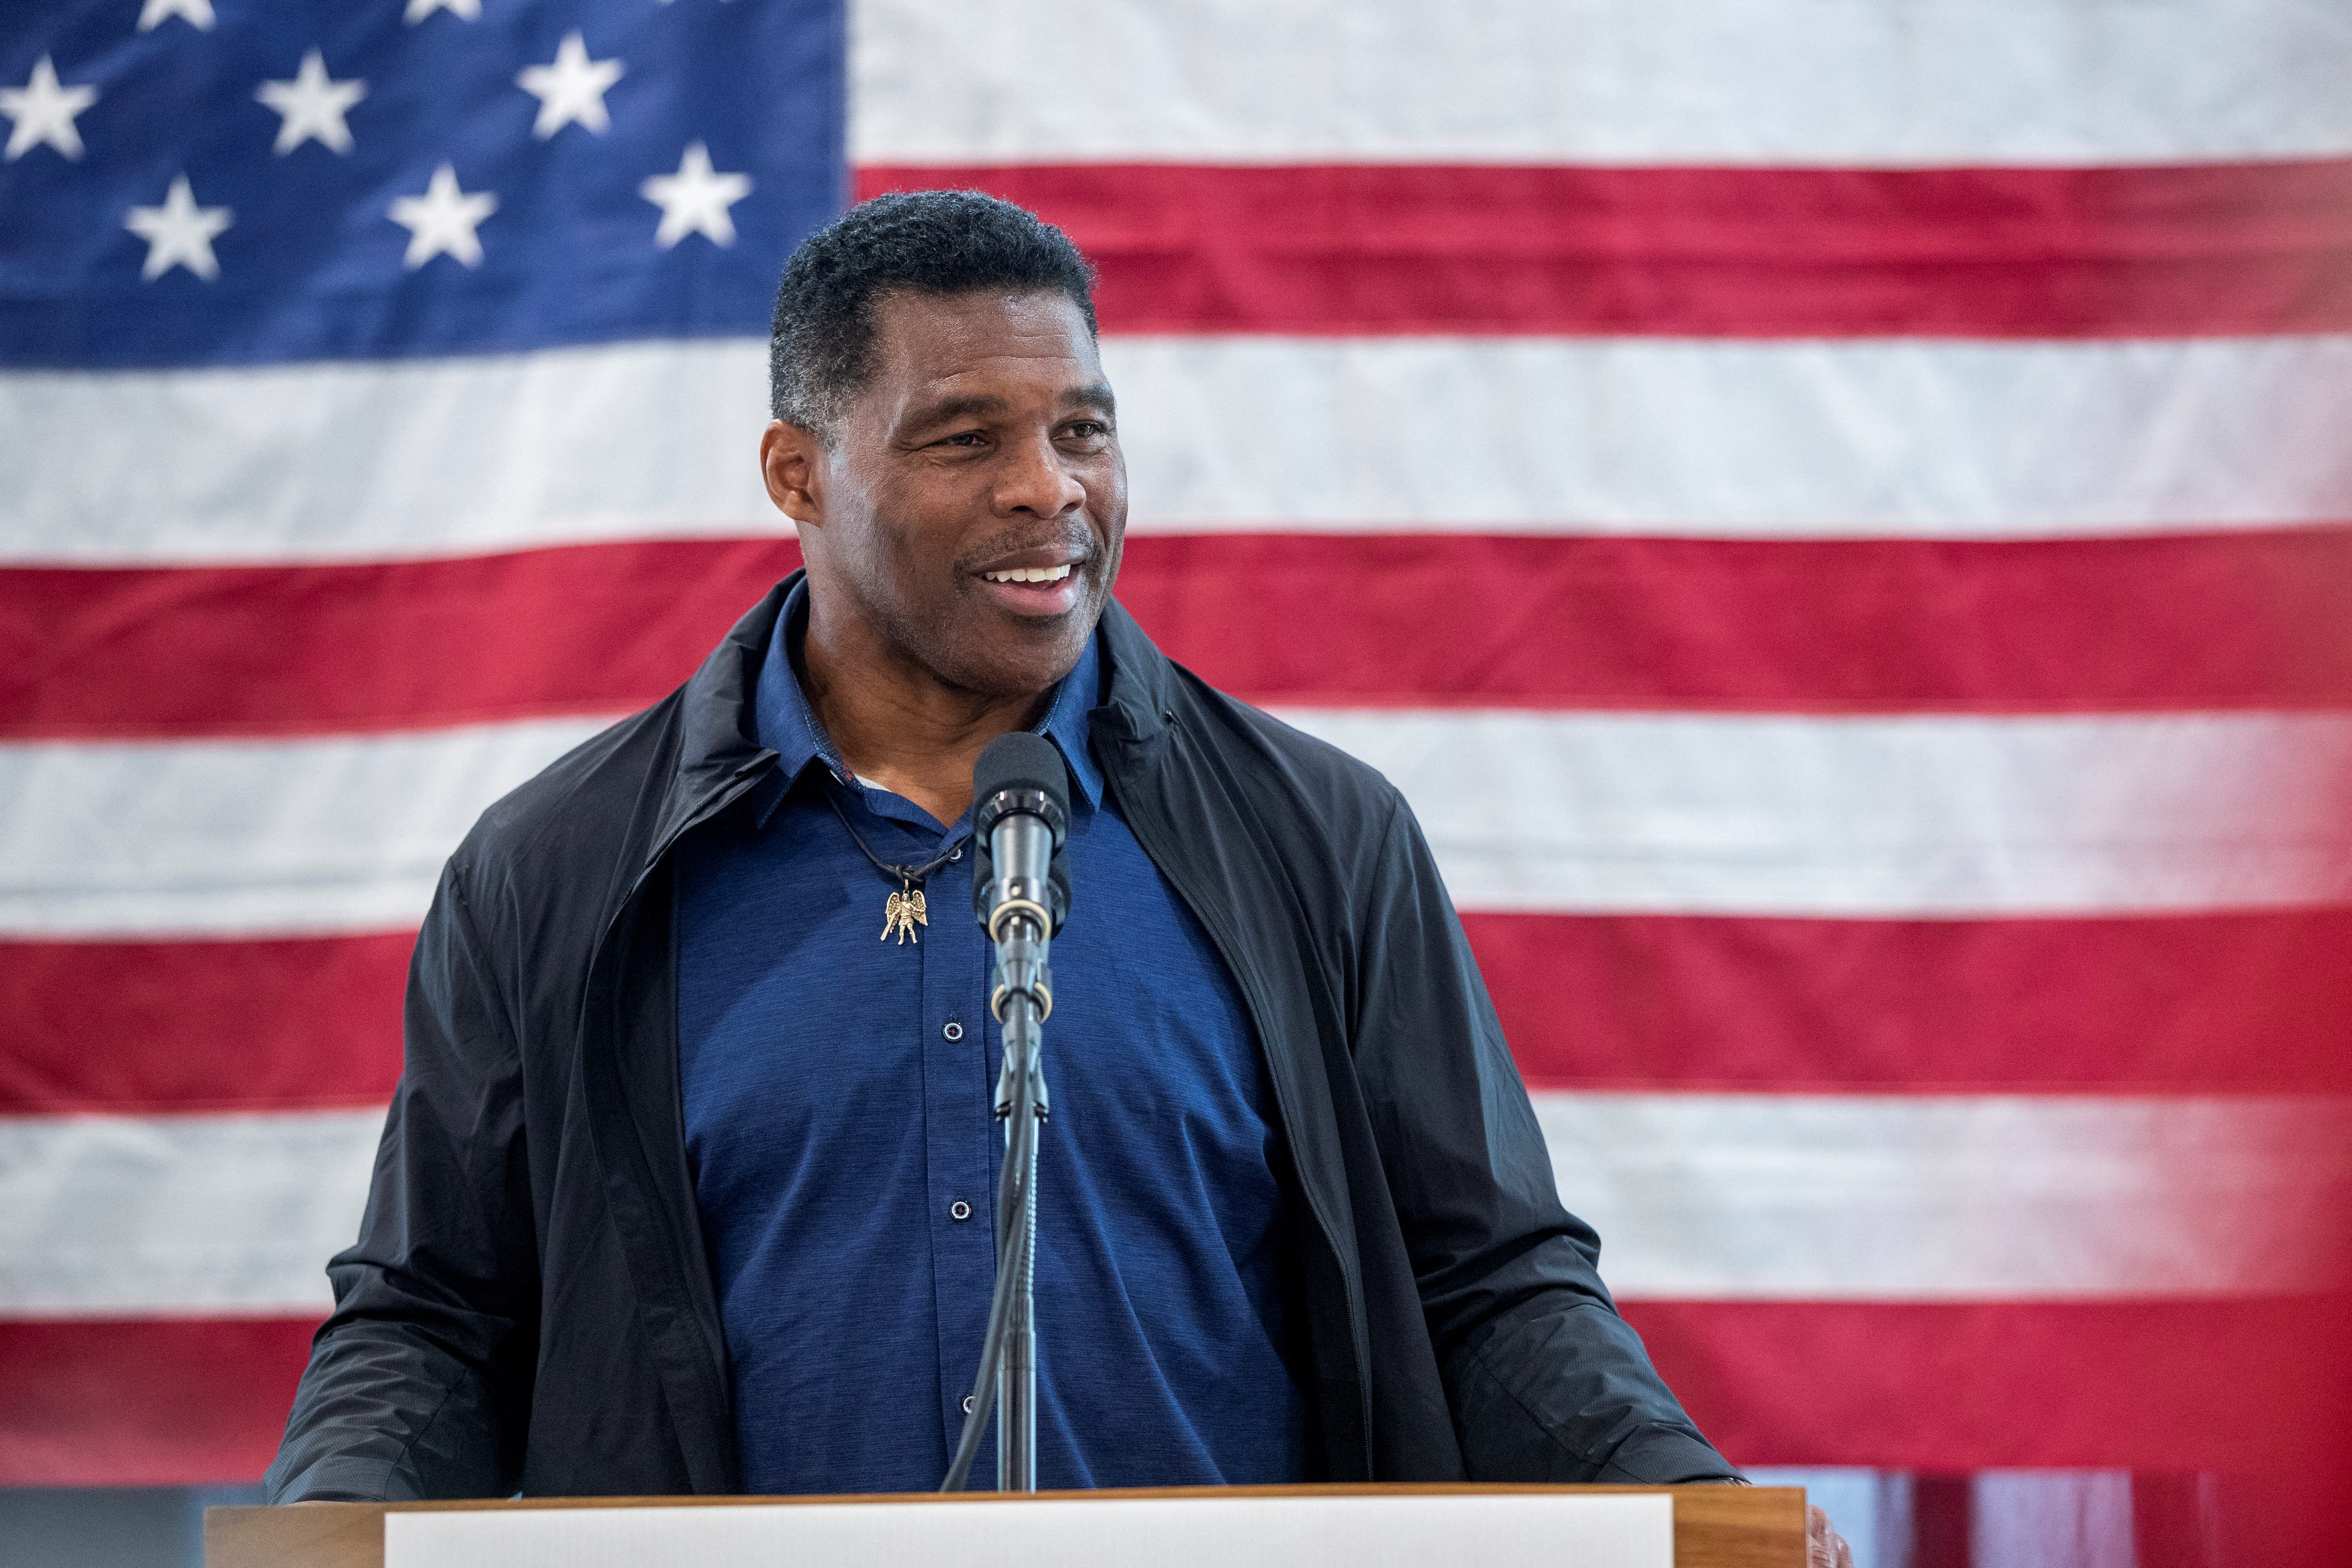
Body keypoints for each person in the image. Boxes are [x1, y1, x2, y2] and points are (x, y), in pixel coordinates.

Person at [265, 188, 1847, 1564]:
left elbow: (1491, 1282)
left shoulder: (1321, 837)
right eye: (967, 439)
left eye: (1082, 427)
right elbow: (436, 1319)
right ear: (799, 475)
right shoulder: (553, 872)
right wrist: (327, 1528)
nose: (1051, 489)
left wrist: (1682, 1508)